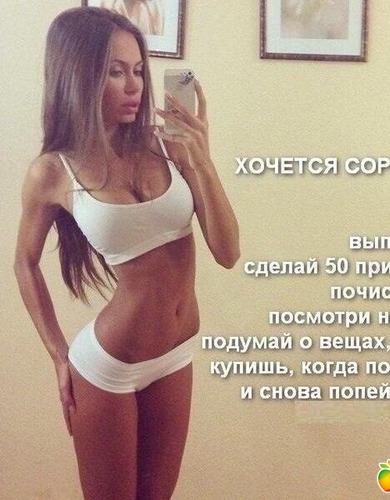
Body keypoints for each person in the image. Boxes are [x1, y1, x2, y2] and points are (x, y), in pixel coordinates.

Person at [14, 6, 239, 500]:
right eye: (115, 72)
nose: (134, 85)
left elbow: (227, 252)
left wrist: (203, 160)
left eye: (138, 70)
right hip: (108, 369)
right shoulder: (53, 171)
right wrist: (58, 355)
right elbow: (23, 264)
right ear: (79, 76)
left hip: (175, 355)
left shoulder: (167, 147)